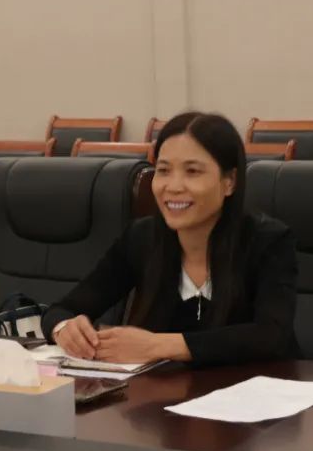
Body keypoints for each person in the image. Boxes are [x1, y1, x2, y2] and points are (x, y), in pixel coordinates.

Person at [42, 112, 298, 365]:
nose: (173, 186)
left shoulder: (268, 241)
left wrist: (157, 346)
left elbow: (272, 336)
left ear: (229, 181)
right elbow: (61, 310)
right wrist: (64, 329)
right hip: (164, 389)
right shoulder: (141, 237)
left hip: (258, 388)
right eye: (163, 170)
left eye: (192, 171)